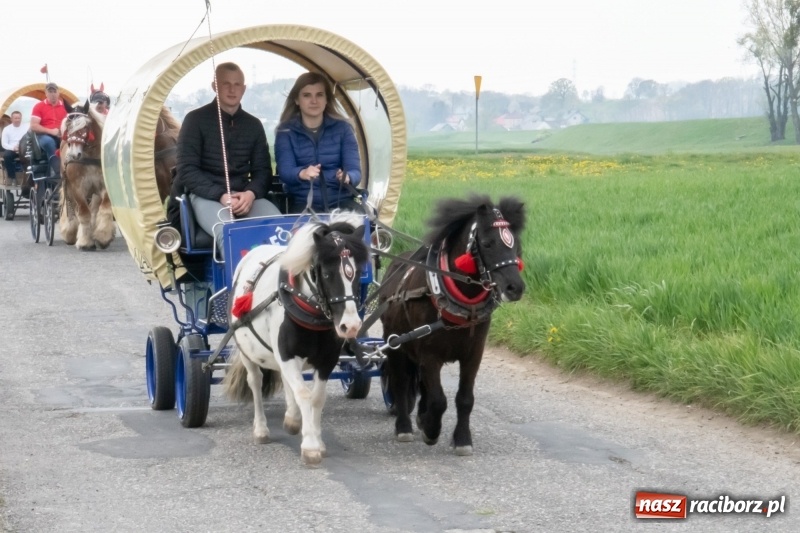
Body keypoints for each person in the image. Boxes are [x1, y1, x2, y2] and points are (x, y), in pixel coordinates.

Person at [175, 62, 280, 246]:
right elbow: (187, 170)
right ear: (215, 86)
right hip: (207, 196)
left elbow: (263, 171)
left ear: (244, 89)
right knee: (229, 233)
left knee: (281, 229)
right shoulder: (195, 120)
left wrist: (250, 193)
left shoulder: (253, 125)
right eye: (226, 84)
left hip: (244, 196)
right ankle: (235, 276)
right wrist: (221, 195)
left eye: (237, 84)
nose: (232, 90)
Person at [274, 72, 363, 213]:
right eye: (307, 95)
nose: (314, 101)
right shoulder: (285, 132)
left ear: (327, 99)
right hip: (303, 202)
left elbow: (356, 171)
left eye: (319, 95)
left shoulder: (343, 129)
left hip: (340, 200)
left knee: (358, 226)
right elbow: (285, 171)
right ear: (297, 100)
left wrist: (348, 177)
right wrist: (302, 173)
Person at [29, 82, 68, 179]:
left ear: (58, 93)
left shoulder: (65, 107)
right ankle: (58, 172)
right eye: (50, 91)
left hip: (62, 133)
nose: (53, 94)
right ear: (46, 93)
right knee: (49, 142)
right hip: (44, 135)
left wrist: (62, 132)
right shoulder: (39, 106)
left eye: (54, 91)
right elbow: (34, 126)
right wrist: (51, 131)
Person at [1, 110, 28, 183]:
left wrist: (21, 147)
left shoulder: (26, 127)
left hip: (23, 148)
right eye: (15, 118)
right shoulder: (7, 129)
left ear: (21, 118)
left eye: (18, 118)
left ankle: (27, 177)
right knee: (7, 156)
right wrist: (13, 148)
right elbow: (4, 144)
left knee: (30, 156)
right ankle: (11, 177)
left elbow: (29, 139)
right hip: (12, 148)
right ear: (11, 119)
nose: (17, 120)